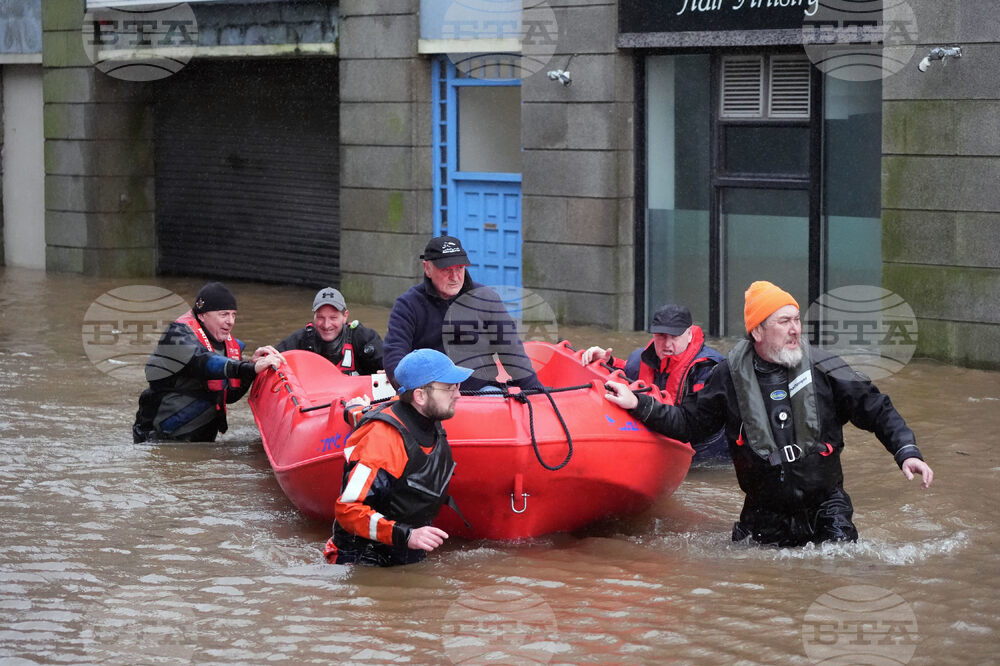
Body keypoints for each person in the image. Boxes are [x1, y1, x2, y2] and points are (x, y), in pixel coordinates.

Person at [603, 280, 934, 547]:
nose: (795, 329)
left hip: (825, 507)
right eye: (783, 321)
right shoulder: (728, 377)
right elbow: (690, 424)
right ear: (757, 332)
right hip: (764, 513)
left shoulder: (825, 366)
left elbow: (875, 408)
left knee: (841, 568)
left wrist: (906, 451)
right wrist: (638, 404)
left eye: (797, 320)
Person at [324, 348, 473, 566]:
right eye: (449, 388)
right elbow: (348, 510)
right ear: (420, 396)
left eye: (457, 387)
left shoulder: (425, 415)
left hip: (403, 551)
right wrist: (406, 535)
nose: (458, 395)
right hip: (362, 558)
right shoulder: (381, 440)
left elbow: (374, 412)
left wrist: (355, 410)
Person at [382, 235, 542, 392]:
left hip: (481, 391)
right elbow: (395, 354)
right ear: (427, 268)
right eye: (446, 270)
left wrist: (537, 393)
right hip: (432, 396)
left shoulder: (486, 298)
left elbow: (511, 351)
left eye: (459, 268)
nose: (455, 277)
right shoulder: (408, 305)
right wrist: (410, 394)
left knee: (490, 395)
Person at [132, 282, 284, 443]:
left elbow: (229, 396)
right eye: (224, 314)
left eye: (233, 314)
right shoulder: (176, 336)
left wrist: (251, 370)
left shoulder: (229, 345)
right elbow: (201, 361)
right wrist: (248, 367)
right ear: (203, 315)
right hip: (159, 439)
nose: (231, 321)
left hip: (201, 440)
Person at [581, 303, 727, 463]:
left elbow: (698, 425)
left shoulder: (708, 368)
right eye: (662, 336)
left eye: (675, 337)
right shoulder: (638, 360)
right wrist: (607, 363)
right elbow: (627, 375)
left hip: (706, 455)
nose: (667, 344)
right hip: (657, 444)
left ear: (690, 334)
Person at [276, 287, 383, 375]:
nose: (326, 325)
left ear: (345, 316)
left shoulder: (363, 337)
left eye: (333, 318)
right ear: (314, 317)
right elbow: (270, 359)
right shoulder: (301, 339)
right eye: (320, 317)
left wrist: (389, 372)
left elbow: (390, 364)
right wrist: (259, 365)